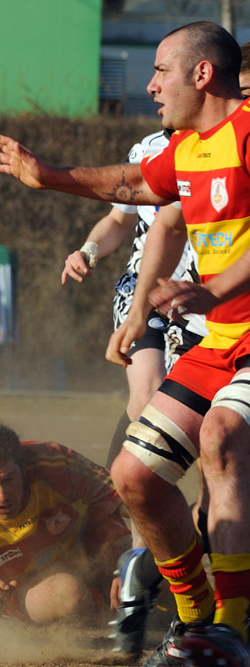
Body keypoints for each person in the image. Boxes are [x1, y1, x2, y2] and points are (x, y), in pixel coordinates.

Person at [0, 21, 250, 666]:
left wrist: (215, 290)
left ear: (203, 74)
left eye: (161, 70)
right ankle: (195, 622)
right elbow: (128, 187)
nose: (151, 84)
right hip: (221, 340)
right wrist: (47, 176)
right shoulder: (189, 149)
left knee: (219, 438)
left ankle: (234, 632)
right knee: (133, 477)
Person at [60, 130, 207, 468]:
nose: (153, 90)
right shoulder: (146, 148)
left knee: (206, 418)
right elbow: (117, 219)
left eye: (163, 74)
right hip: (143, 292)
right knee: (147, 396)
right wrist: (88, 250)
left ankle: (210, 512)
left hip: (202, 300)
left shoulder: (230, 146)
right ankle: (113, 499)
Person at [0, 421, 131, 625]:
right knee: (68, 593)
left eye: (9, 480)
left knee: (150, 562)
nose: (1, 496)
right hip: (32, 588)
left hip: (93, 551)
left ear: (23, 466)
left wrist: (129, 562)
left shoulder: (56, 465)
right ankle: (113, 614)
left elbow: (131, 501)